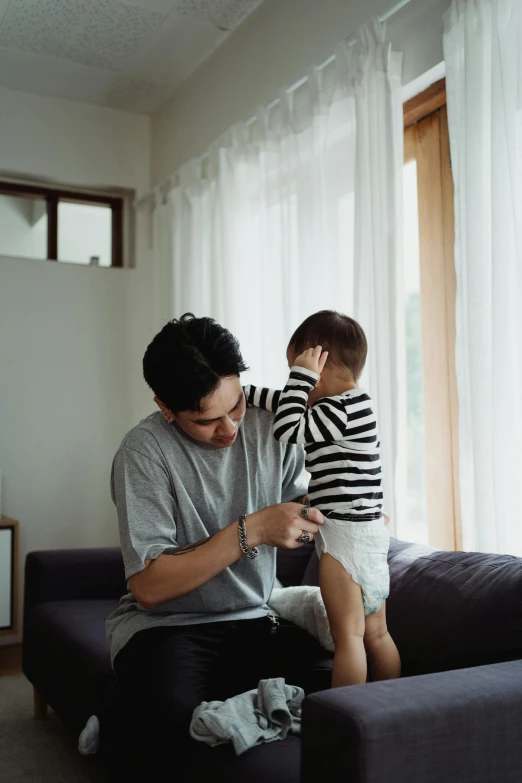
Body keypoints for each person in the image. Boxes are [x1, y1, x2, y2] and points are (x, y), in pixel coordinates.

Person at [100, 313, 331, 782]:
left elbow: (303, 503)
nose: (229, 429)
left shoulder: (272, 422)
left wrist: (338, 509)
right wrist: (254, 529)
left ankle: (148, 711)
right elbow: (149, 586)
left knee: (338, 684)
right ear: (166, 408)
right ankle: (118, 721)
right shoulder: (143, 453)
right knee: (174, 723)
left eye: (237, 405)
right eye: (206, 420)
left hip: (254, 618)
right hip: (164, 627)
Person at [245, 310, 401, 688]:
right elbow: (286, 403)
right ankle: (389, 705)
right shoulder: (355, 405)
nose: (295, 384)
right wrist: (244, 394)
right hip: (368, 535)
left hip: (346, 540)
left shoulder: (337, 409)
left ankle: (347, 719)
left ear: (320, 366)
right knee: (376, 633)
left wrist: (300, 376)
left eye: (298, 372)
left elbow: (286, 428)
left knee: (349, 637)